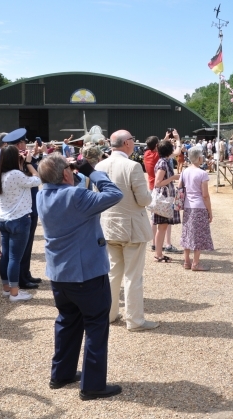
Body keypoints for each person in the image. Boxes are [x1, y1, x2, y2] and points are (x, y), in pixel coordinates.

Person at [36, 153, 124, 399]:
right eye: (70, 169)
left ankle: (61, 374)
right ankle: (93, 385)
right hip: (86, 273)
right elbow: (115, 194)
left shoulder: (42, 195)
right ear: (66, 174)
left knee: (67, 321)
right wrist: (91, 170)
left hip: (59, 273)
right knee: (96, 324)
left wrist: (75, 172)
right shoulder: (75, 195)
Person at [95, 131, 158, 331]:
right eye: (132, 139)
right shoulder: (132, 166)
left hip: (108, 226)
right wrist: (149, 195)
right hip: (132, 228)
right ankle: (135, 320)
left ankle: (110, 314)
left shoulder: (100, 166)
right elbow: (143, 200)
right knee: (133, 275)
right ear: (128, 143)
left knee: (113, 272)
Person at [0, 145, 41, 302]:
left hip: (4, 219)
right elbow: (38, 179)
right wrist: (28, 163)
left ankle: (7, 288)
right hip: (19, 219)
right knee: (15, 257)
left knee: (6, 256)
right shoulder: (16, 174)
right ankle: (15, 292)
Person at [2, 128, 43, 290]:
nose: (25, 144)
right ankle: (21, 277)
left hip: (26, 207)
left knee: (28, 243)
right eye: (24, 142)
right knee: (21, 247)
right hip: (23, 209)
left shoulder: (18, 159)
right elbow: (34, 176)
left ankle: (25, 273)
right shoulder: (12, 162)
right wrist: (27, 162)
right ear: (19, 144)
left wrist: (34, 158)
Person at [179, 147, 214, 271]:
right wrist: (209, 211)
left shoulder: (184, 172)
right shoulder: (202, 173)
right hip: (199, 206)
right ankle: (196, 263)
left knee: (187, 233)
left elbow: (180, 189)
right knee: (198, 235)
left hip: (187, 206)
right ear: (199, 158)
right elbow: (205, 195)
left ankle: (187, 261)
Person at [152, 140, 181, 263]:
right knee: (162, 227)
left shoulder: (162, 161)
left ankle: (159, 253)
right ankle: (159, 254)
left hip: (163, 198)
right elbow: (158, 183)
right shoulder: (163, 163)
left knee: (162, 227)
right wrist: (173, 178)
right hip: (164, 199)